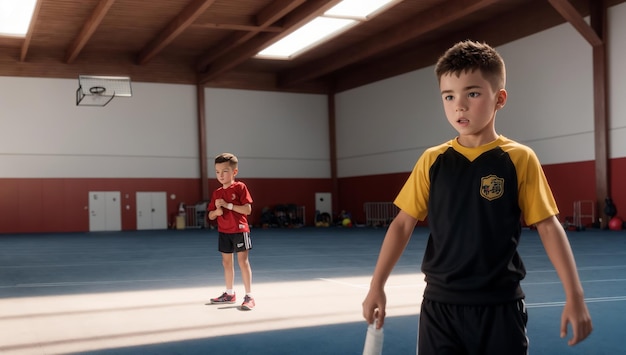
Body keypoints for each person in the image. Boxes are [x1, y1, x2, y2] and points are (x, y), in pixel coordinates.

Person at [361, 40, 592, 354]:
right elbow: (402, 225)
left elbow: (549, 227)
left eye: (472, 93)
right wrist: (377, 285)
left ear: (499, 99)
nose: (459, 105)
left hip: (500, 306)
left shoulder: (519, 158)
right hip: (441, 307)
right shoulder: (432, 160)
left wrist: (575, 295)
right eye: (449, 96)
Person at [208, 153, 255, 310]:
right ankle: (229, 294)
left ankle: (249, 297)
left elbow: (247, 210)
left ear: (234, 172)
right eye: (217, 172)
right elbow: (210, 215)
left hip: (240, 230)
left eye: (225, 171)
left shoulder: (240, 187)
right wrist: (216, 212)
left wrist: (228, 206)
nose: (220, 175)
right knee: (226, 263)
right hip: (224, 231)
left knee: (243, 262)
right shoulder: (216, 193)